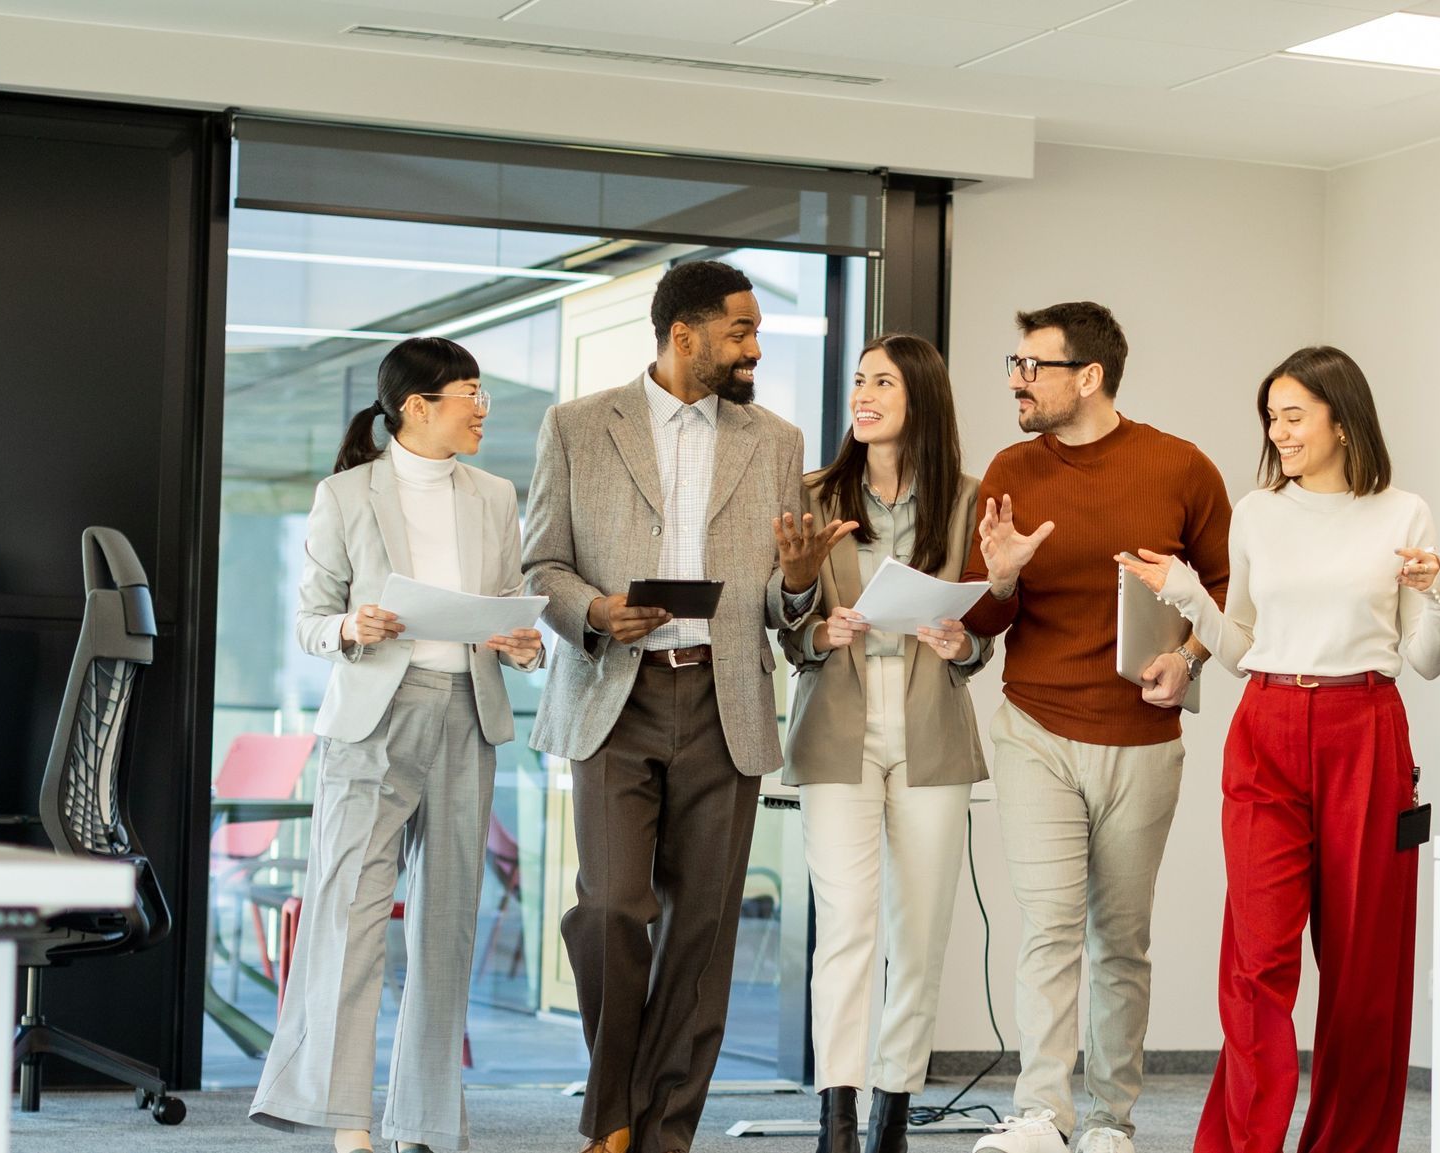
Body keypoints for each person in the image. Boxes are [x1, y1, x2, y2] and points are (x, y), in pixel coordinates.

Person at [522, 260, 852, 1153]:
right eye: (741, 331)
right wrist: (594, 610)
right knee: (611, 909)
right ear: (685, 335)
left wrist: (796, 583)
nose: (753, 348)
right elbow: (540, 565)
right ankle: (613, 1108)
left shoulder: (776, 440)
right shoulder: (578, 426)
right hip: (612, 694)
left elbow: (793, 620)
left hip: (724, 697)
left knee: (700, 937)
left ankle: (662, 1135)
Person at [1118, 345, 1440, 1153]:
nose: (1279, 429)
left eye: (1293, 413)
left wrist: (1435, 590)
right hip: (1268, 728)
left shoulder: (1403, 513)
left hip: (1367, 732)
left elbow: (1429, 658)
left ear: (1343, 419)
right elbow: (1243, 648)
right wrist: (1188, 593)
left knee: (1364, 974)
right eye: (1271, 415)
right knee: (1258, 960)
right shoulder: (1259, 511)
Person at [250, 337, 545, 1153]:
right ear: (418, 406)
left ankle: (423, 1120)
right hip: (374, 720)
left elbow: (506, 606)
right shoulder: (345, 495)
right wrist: (350, 624)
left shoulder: (493, 494)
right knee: (350, 917)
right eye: (470, 393)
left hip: (467, 712)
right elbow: (308, 619)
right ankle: (348, 1120)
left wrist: (522, 644)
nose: (483, 407)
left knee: (447, 926)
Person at [962, 302, 1233, 1153]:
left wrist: (1187, 659)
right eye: (1015, 362)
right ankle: (1042, 1110)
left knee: (1121, 938)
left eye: (1032, 365)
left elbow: (1224, 597)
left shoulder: (1182, 468)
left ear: (1089, 376)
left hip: (1143, 740)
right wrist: (1000, 580)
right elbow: (979, 617)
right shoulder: (1011, 466)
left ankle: (1112, 1118)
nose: (1016, 378)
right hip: (1036, 726)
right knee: (1047, 926)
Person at [778, 333, 991, 1153]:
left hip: (930, 725)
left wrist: (963, 640)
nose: (863, 394)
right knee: (848, 925)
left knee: (922, 929)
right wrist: (813, 618)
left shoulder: (967, 499)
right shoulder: (812, 493)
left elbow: (982, 635)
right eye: (859, 380)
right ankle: (836, 1114)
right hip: (838, 725)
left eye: (883, 382)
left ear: (921, 400)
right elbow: (783, 618)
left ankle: (891, 1115)